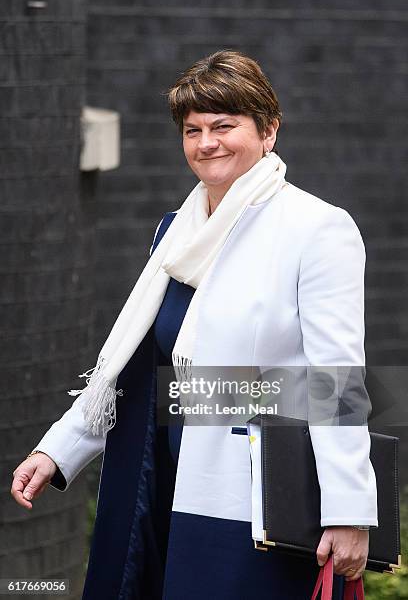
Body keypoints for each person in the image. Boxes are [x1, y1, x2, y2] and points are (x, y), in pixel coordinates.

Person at [11, 50, 377, 599]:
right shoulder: (175, 232)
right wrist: (59, 448)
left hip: (252, 497)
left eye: (225, 126)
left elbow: (336, 380)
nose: (208, 143)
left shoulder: (317, 229)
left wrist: (348, 510)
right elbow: (136, 367)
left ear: (269, 130)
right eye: (194, 130)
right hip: (155, 476)